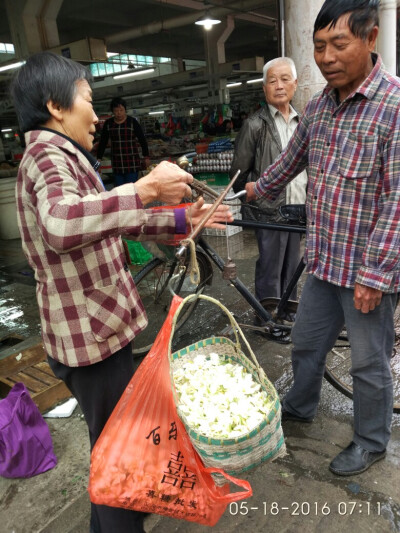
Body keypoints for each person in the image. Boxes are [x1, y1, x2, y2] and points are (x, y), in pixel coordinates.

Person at [11, 51, 232, 533]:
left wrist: (179, 218)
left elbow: (104, 221)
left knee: (112, 446)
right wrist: (148, 188)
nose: (96, 115)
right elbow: (63, 223)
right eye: (89, 100)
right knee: (122, 458)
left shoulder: (62, 156)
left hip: (94, 331)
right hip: (89, 339)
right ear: (55, 104)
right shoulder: (47, 155)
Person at [246, 0, 400, 476]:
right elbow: (289, 161)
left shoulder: (393, 108)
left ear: (371, 39)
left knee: (367, 365)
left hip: (365, 273)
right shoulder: (319, 108)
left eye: (339, 44)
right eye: (318, 47)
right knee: (306, 344)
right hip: (323, 262)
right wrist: (251, 190)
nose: (327, 57)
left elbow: (397, 203)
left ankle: (372, 440)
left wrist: (375, 276)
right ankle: (300, 407)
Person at [230, 57, 308, 343]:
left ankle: (288, 314)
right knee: (270, 268)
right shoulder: (255, 124)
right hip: (269, 210)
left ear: (295, 84)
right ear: (264, 88)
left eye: (285, 79)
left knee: (292, 264)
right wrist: (257, 196)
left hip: (297, 208)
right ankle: (266, 318)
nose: (279, 86)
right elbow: (238, 173)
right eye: (272, 80)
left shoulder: (303, 122)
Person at [97, 96, 150, 186]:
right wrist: (99, 159)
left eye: (121, 110)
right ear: (113, 111)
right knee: (120, 190)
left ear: (125, 109)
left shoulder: (132, 122)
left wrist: (146, 156)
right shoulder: (108, 123)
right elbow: (103, 142)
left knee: (132, 188)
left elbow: (142, 139)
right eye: (116, 111)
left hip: (132, 162)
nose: (119, 113)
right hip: (117, 164)